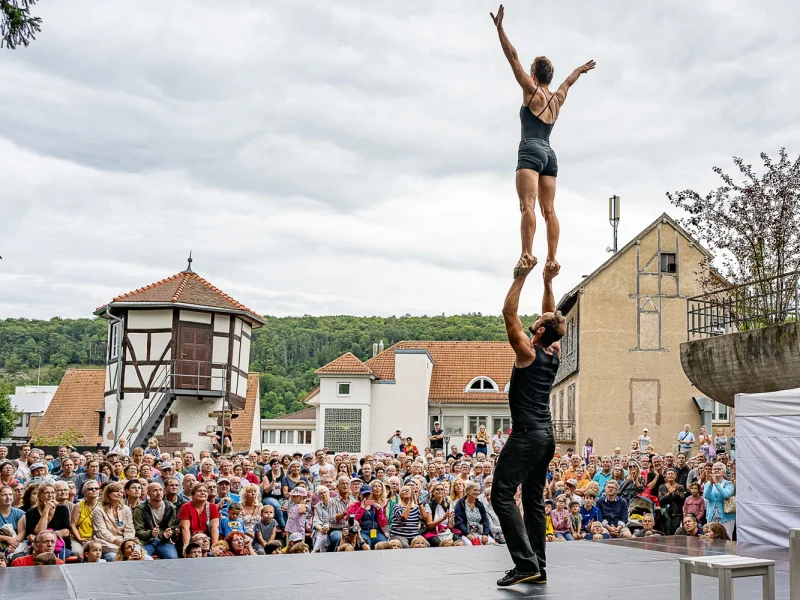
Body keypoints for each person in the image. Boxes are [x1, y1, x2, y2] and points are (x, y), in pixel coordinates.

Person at [490, 4, 594, 276]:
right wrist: (580, 70)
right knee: (549, 210)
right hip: (550, 155)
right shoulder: (557, 98)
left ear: (534, 75)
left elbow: (512, 57)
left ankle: (526, 253)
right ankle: (552, 259)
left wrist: (500, 29)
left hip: (530, 149)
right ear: (550, 77)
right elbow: (568, 82)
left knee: (527, 205)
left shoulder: (531, 90)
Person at [492, 255, 564, 586]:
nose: (539, 317)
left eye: (539, 320)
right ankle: (538, 568)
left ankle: (524, 564)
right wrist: (547, 282)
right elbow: (551, 316)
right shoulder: (553, 352)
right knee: (533, 499)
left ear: (539, 330)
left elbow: (509, 313)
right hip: (546, 436)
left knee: (501, 495)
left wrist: (521, 277)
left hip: (526, 436)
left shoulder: (527, 352)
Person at [23, 482, 72, 558]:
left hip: (60, 547)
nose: (50, 495)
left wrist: (48, 536)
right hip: (39, 548)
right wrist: (46, 510)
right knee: (41, 556)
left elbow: (66, 532)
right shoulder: (31, 513)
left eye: (53, 492)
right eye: (47, 493)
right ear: (39, 495)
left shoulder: (62, 509)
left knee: (51, 557)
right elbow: (39, 531)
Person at [133, 482, 178, 559]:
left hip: (164, 541)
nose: (158, 493)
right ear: (148, 493)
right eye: (155, 490)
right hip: (145, 541)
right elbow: (137, 531)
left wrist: (168, 534)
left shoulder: (171, 507)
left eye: (160, 490)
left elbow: (172, 527)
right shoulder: (140, 509)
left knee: (173, 557)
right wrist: (151, 533)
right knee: (137, 557)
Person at [92, 482, 135, 562]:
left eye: (121, 492)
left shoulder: (126, 509)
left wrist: (126, 542)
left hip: (125, 543)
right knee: (113, 557)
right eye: (116, 491)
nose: (119, 494)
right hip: (107, 543)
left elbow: (130, 530)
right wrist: (120, 543)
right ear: (108, 493)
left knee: (147, 558)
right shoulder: (98, 510)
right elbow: (102, 532)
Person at [178, 483, 220, 552]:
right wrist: (186, 546)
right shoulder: (185, 507)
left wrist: (214, 544)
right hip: (191, 538)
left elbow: (214, 527)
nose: (202, 493)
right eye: (199, 491)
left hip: (206, 539)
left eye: (205, 491)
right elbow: (185, 528)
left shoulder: (212, 507)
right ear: (192, 495)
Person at [455, 481, 494, 546]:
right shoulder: (460, 504)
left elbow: (485, 520)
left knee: (492, 543)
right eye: (475, 490)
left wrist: (485, 534)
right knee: (469, 545)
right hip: (465, 533)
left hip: (480, 532)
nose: (477, 492)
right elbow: (458, 521)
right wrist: (467, 533)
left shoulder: (480, 504)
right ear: (467, 491)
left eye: (478, 490)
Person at [703, 462, 735, 538]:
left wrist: (716, 484)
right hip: (712, 516)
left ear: (724, 471)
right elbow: (706, 496)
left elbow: (726, 494)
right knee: (711, 537)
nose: (716, 470)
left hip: (726, 517)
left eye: (719, 469)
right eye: (714, 469)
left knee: (726, 537)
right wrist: (711, 485)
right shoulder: (708, 484)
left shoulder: (728, 484)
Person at [70, 480, 100, 556]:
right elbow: (73, 525)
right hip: (79, 539)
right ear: (84, 492)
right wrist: (79, 539)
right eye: (90, 489)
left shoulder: (102, 506)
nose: (94, 490)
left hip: (97, 540)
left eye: (96, 488)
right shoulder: (78, 506)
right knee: (77, 552)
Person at [657, 468, 686, 535]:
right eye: (668, 474)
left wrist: (676, 493)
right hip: (664, 511)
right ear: (666, 476)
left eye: (672, 474)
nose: (670, 475)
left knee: (675, 531)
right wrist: (668, 494)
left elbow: (682, 500)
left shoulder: (680, 487)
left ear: (675, 476)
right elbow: (660, 500)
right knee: (667, 530)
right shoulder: (662, 487)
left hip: (677, 512)